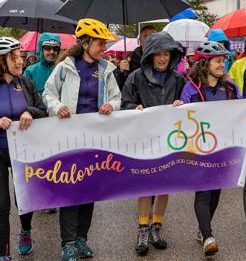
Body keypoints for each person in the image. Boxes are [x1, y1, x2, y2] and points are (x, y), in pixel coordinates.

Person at [43, 18, 121, 261]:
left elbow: (117, 97)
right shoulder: (66, 67)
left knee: (89, 190)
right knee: (70, 191)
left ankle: (81, 239)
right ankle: (67, 243)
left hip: (95, 138)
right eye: (99, 43)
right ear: (85, 43)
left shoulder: (106, 69)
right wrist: (57, 107)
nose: (103, 48)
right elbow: (48, 93)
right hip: (69, 138)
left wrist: (111, 104)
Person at [179, 41, 246, 256]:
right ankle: (208, 236)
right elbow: (180, 114)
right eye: (218, 61)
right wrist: (178, 107)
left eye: (223, 61)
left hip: (223, 149)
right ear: (205, 64)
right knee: (203, 192)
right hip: (198, 149)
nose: (222, 65)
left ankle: (202, 230)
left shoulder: (230, 88)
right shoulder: (191, 88)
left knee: (215, 194)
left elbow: (241, 108)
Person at [121, 31, 185, 257]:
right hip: (144, 139)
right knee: (146, 185)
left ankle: (157, 226)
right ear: (150, 55)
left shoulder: (178, 79)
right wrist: (133, 108)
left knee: (164, 184)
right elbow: (125, 102)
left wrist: (182, 103)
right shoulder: (136, 77)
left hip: (169, 140)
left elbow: (188, 102)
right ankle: (142, 228)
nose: (162, 58)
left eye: (167, 54)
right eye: (158, 54)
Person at [0, 37, 46, 261]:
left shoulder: (25, 82)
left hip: (22, 150)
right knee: (1, 204)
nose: (20, 61)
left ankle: (25, 231)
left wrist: (29, 111)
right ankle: (3, 252)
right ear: (1, 61)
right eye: (14, 57)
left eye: (20, 56)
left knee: (24, 198)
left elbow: (42, 108)